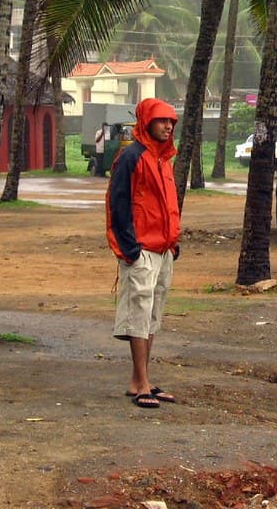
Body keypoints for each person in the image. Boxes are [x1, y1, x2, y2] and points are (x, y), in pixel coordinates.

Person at [105, 99, 181, 408]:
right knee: (138, 312)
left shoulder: (163, 159)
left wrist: (173, 242)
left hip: (163, 249)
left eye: (172, 122)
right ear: (146, 122)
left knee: (152, 314)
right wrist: (130, 249)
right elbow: (118, 204)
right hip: (141, 250)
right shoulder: (131, 156)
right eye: (162, 121)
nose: (168, 126)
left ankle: (142, 379)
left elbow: (167, 204)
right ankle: (140, 382)